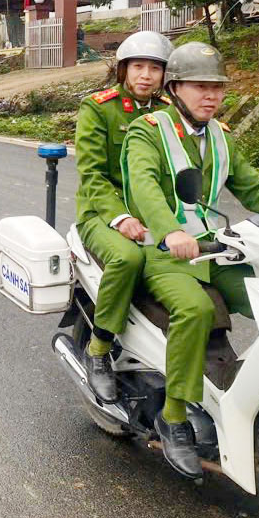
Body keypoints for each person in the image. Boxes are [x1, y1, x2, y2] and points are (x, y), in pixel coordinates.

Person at [122, 41, 259, 479]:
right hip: (164, 253)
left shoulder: (219, 136)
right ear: (174, 88)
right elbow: (144, 187)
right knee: (196, 310)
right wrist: (170, 231)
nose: (211, 96)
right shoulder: (147, 131)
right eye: (200, 87)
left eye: (217, 87)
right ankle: (174, 416)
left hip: (215, 250)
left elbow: (255, 188)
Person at [74, 31, 174, 403]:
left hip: (153, 213)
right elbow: (93, 175)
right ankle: (99, 349)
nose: (146, 75)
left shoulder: (169, 112)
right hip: (102, 212)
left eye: (154, 68)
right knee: (128, 258)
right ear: (124, 70)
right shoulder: (100, 108)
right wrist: (119, 217)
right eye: (138, 67)